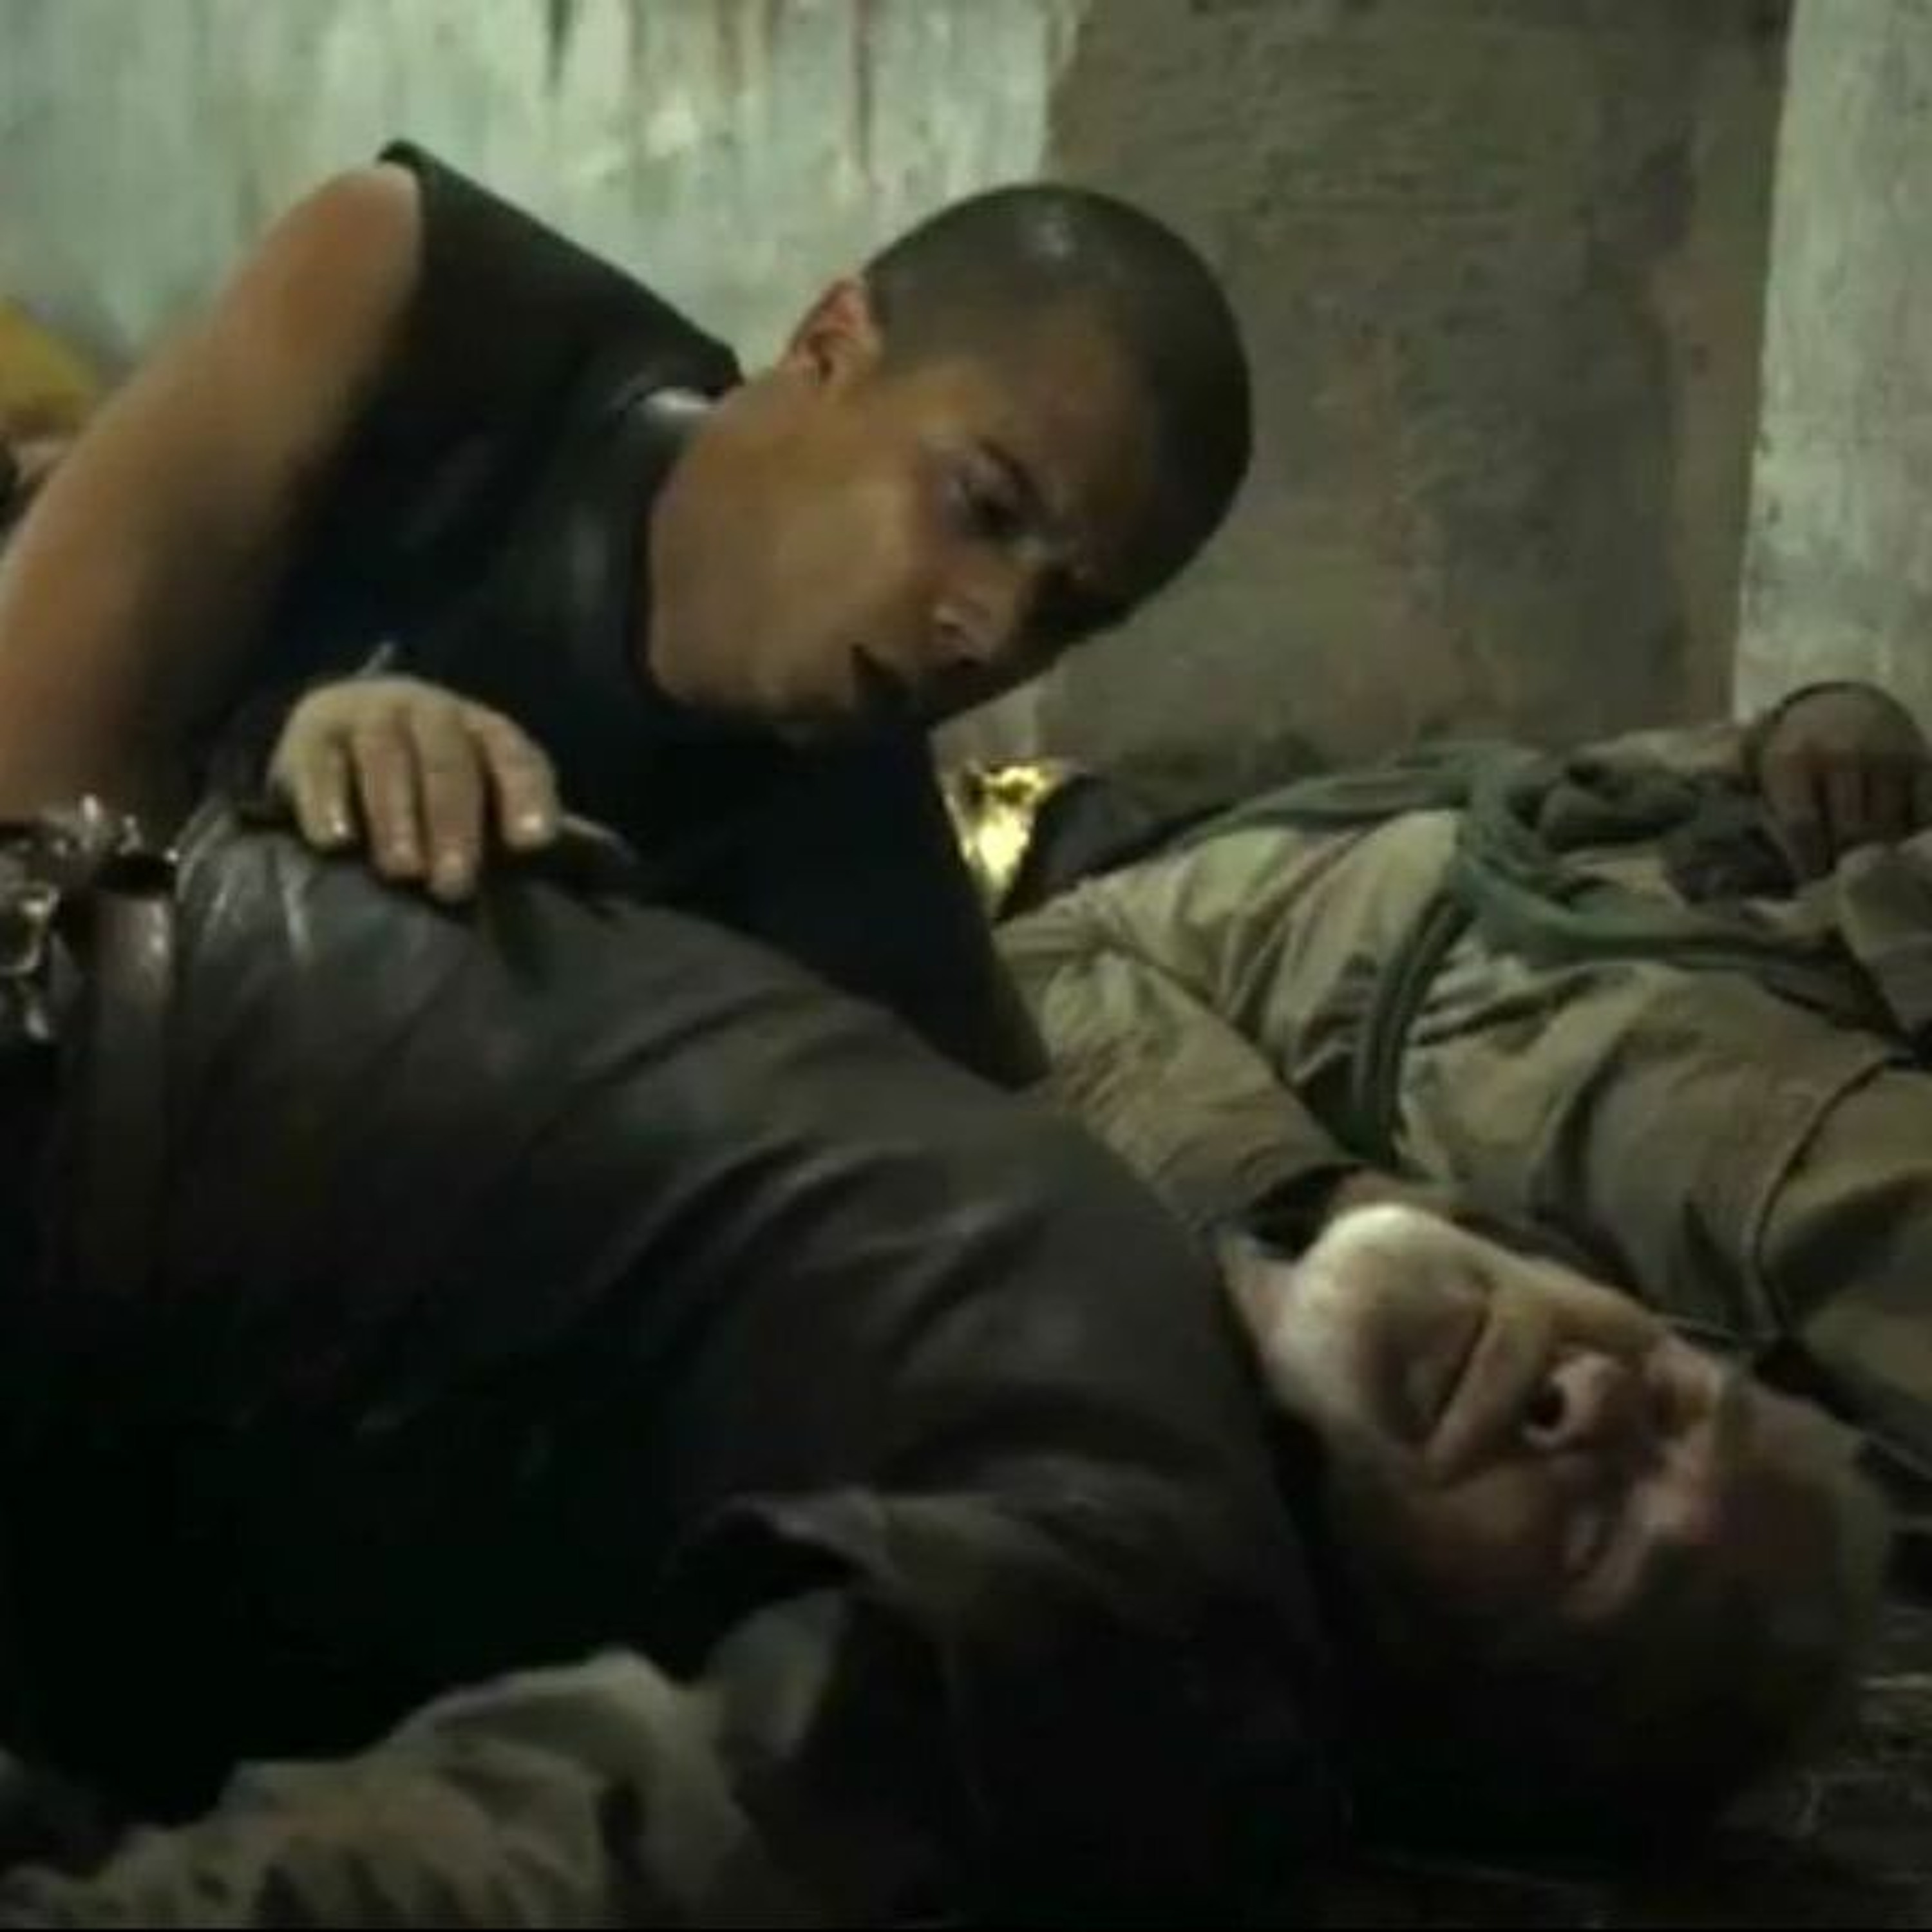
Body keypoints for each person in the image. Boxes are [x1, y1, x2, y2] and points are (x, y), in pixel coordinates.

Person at [0, 147, 1252, 1087]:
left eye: (1066, 616)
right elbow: (25, 801)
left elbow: (1011, 1153)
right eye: (983, 507)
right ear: (829, 343)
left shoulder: (854, 845)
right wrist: (279, 788)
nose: (993, 632)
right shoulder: (414, 296)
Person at [993, 678, 1932, 1477]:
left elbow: (1596, 781)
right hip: (1535, 1025)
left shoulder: (1368, 801)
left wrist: (1814, 725)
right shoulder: (1079, 928)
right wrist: (1321, 1204)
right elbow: (1051, 1003)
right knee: (1842, 1185)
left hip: (1733, 892)